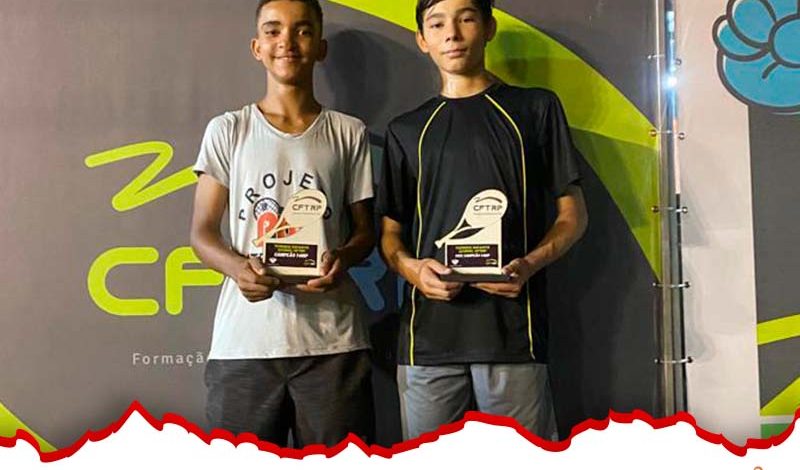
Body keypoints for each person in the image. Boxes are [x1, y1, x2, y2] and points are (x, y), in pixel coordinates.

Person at [376, 0, 588, 440]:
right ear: (422, 40)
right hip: (427, 341)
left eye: (466, 19)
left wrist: (528, 265)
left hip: (513, 335)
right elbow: (390, 234)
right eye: (437, 24)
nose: (452, 34)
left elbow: (573, 214)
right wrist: (413, 270)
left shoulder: (535, 109)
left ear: (488, 28)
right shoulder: (407, 129)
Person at [189, 0, 375, 447]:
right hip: (245, 344)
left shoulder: (349, 132)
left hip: (334, 345)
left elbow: (364, 233)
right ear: (257, 47)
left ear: (320, 47)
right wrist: (239, 269)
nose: (287, 42)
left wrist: (343, 259)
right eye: (273, 31)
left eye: (302, 30)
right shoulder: (227, 129)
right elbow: (202, 233)